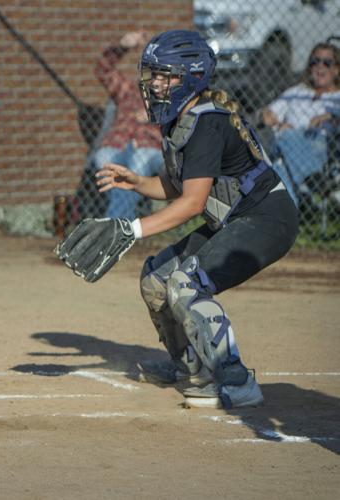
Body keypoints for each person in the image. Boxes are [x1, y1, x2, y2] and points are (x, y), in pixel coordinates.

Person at [93, 30, 299, 408]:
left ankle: (237, 381)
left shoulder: (207, 123)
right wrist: (139, 183)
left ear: (191, 76)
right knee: (157, 278)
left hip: (268, 218)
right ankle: (194, 370)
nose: (154, 83)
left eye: (164, 75)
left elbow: (192, 204)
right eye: (152, 74)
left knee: (186, 284)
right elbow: (179, 186)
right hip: (236, 219)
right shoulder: (179, 118)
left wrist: (132, 229)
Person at [90, 30, 163, 220]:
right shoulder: (127, 90)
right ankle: (122, 224)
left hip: (149, 149)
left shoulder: (169, 97)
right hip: (117, 147)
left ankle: (113, 225)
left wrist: (153, 114)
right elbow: (103, 70)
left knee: (138, 160)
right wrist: (122, 47)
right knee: (103, 158)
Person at [261, 41, 340, 207]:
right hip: (285, 143)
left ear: (336, 69)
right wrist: (278, 123)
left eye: (327, 62)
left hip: (322, 148)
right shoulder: (297, 92)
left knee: (279, 165)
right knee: (285, 142)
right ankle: (302, 190)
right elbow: (268, 115)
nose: (320, 67)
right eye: (315, 61)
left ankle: (285, 209)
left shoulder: (337, 97)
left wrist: (328, 116)